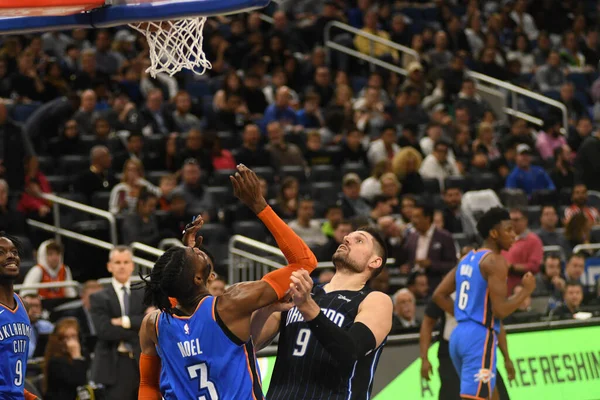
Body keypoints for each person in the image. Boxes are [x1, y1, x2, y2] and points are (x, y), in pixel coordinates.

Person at [138, 164, 319, 399]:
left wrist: (188, 253)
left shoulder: (153, 324)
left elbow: (148, 385)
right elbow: (304, 261)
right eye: (196, 254)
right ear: (199, 278)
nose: (197, 249)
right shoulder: (230, 304)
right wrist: (259, 205)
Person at [250, 203, 393, 396]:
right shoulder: (302, 294)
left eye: (359, 240)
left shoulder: (375, 300)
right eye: (348, 236)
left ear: (374, 262)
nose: (347, 238)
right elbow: (250, 345)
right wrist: (266, 310)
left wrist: (307, 307)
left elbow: (350, 352)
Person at [433, 207, 536, 400]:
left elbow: (439, 294)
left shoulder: (467, 258)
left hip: (458, 336)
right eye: (509, 230)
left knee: (491, 395)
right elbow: (501, 311)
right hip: (478, 337)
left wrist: (466, 315)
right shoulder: (496, 261)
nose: (514, 235)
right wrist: (526, 291)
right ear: (494, 233)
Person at [420, 295, 515, 400]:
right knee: (453, 393)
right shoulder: (446, 291)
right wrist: (424, 358)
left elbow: (497, 324)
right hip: (451, 352)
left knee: (495, 391)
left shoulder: (484, 290)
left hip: (479, 349)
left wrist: (506, 357)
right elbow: (428, 323)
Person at [90, 246, 146, 400]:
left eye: (126, 262)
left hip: (140, 361)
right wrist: (137, 329)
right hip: (114, 364)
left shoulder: (144, 294)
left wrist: (124, 321)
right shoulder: (98, 297)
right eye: (118, 262)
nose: (122, 266)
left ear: (132, 266)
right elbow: (104, 331)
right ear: (110, 266)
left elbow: (149, 323)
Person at [0, 234, 39, 399]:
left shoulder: (23, 305)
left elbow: (10, 371)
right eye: (1, 252)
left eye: (14, 252)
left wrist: (26, 395)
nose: (11, 256)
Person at [42, 317, 89, 400]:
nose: (69, 343)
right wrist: (76, 355)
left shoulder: (83, 355)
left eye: (73, 337)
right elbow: (78, 381)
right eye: (65, 338)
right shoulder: (55, 361)